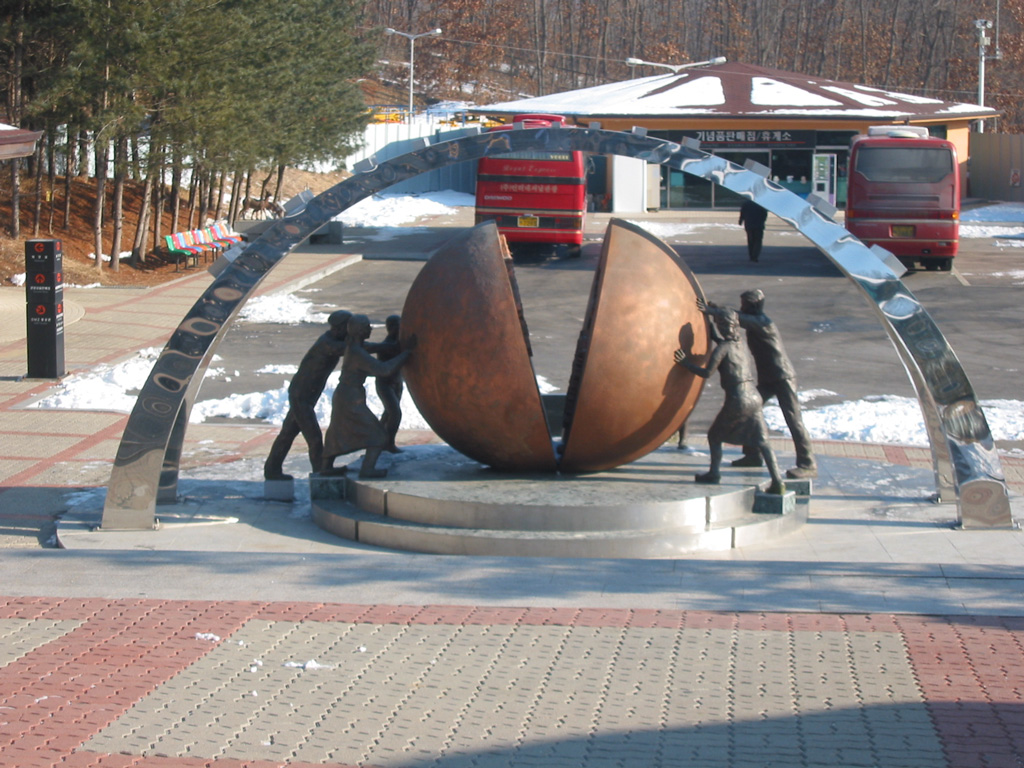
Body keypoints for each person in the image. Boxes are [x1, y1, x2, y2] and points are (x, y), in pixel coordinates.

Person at [700, 290, 817, 479]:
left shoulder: (764, 322)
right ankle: (753, 455)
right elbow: (735, 318)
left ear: (752, 305)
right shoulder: (753, 319)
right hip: (768, 378)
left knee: (793, 419)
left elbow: (736, 318)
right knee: (750, 409)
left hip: (783, 377)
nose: (742, 306)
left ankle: (808, 464)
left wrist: (711, 311)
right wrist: (717, 310)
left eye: (744, 304)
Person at [674, 308, 785, 495]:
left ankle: (714, 473)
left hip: (738, 399)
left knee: (714, 436)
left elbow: (707, 372)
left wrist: (685, 363)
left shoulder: (722, 349)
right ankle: (777, 481)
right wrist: (710, 323)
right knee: (763, 442)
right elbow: (724, 344)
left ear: (723, 326)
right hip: (754, 396)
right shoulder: (739, 344)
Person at [321, 314, 414, 478]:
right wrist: (407, 353)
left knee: (337, 430)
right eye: (367, 326)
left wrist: (396, 346)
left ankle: (326, 466)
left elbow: (378, 347)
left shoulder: (355, 346)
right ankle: (367, 470)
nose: (370, 328)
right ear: (359, 330)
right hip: (351, 398)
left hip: (346, 395)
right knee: (377, 435)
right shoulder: (357, 353)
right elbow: (383, 370)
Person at [263, 309, 351, 480]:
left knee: (288, 433)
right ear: (341, 328)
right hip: (301, 396)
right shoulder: (328, 343)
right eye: (349, 327)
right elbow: (353, 349)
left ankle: (272, 469)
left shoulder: (334, 339)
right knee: (314, 437)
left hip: (305, 395)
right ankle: (321, 470)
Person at [374, 314, 404, 453]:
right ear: (389, 328)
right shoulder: (387, 345)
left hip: (397, 382)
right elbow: (398, 352)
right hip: (385, 384)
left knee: (388, 414)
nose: (399, 328)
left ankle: (377, 440)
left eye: (400, 324)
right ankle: (388, 443)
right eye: (396, 326)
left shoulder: (400, 342)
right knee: (395, 413)